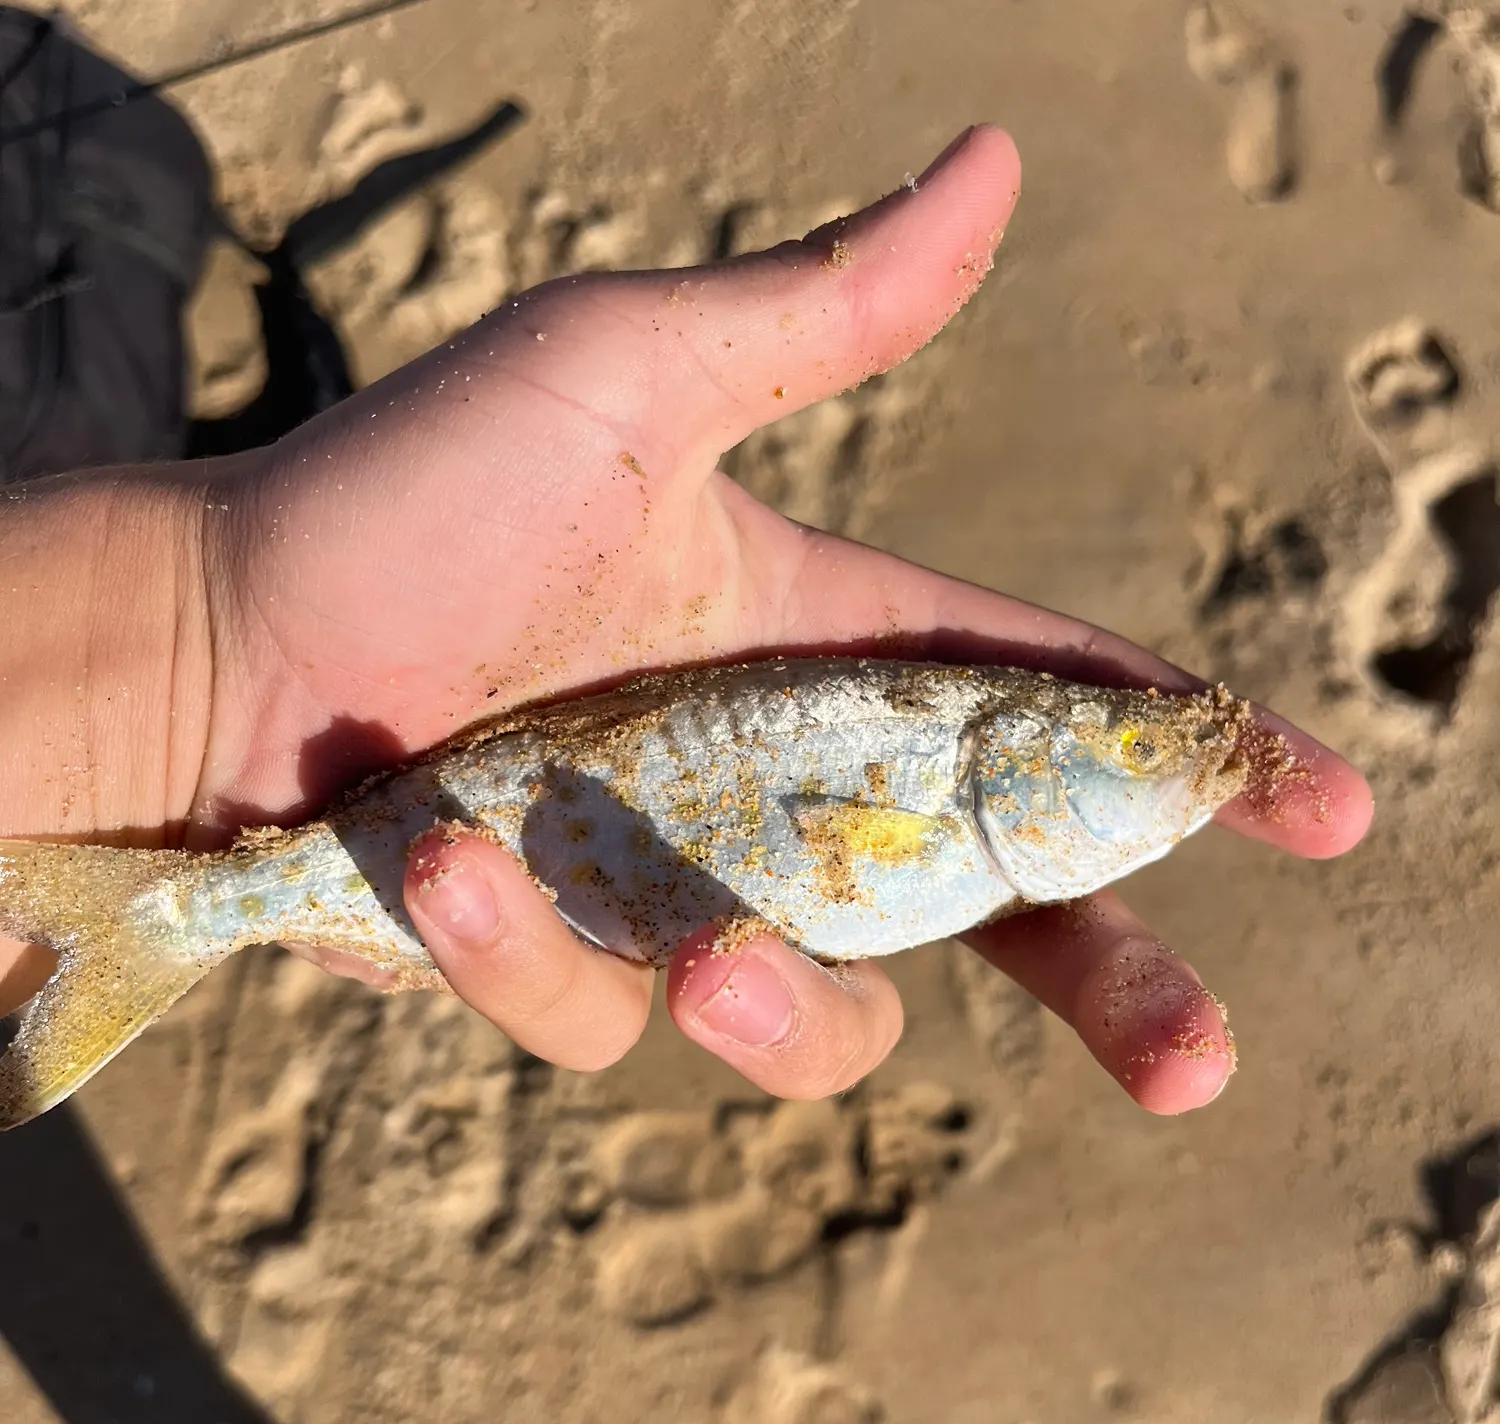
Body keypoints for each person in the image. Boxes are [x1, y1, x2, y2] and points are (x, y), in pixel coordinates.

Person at [0, 124, 1371, 1117]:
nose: (1176, 753)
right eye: (1131, 750)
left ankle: (169, 911)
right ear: (1018, 753)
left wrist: (196, 645)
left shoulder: (983, 815)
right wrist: (202, 642)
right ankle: (174, 913)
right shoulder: (954, 786)